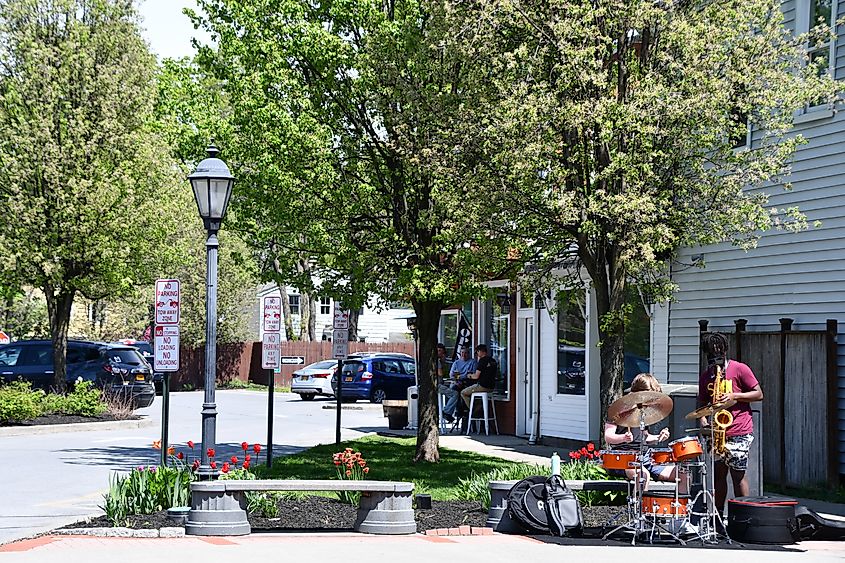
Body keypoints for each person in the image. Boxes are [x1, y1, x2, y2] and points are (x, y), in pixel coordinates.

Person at [698, 332, 763, 516]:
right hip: (717, 432)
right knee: (719, 476)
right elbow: (703, 404)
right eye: (711, 353)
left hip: (739, 429)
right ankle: (718, 517)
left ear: (725, 350)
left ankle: (743, 516)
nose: (715, 356)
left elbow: (758, 394)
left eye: (719, 351)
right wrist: (704, 422)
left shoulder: (740, 369)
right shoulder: (706, 376)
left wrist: (735, 396)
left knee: (738, 475)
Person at [603, 373, 677, 488]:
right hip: (623, 459)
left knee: (681, 473)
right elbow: (608, 436)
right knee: (643, 475)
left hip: (645, 458)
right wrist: (623, 438)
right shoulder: (619, 409)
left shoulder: (643, 410)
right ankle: (640, 505)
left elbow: (645, 437)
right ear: (639, 393)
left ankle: (681, 506)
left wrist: (658, 437)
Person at [440, 346, 476, 422]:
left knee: (458, 392)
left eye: (465, 353)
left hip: (468, 383)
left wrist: (462, 377)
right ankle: (454, 412)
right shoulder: (456, 363)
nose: (464, 354)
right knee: (453, 390)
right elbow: (452, 375)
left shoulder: (472, 362)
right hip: (457, 382)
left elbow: (472, 375)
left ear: (468, 354)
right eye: (462, 353)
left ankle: (458, 412)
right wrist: (457, 381)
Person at [460, 344, 497, 412]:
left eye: (477, 352)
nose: (477, 354)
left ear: (480, 351)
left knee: (463, 392)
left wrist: (469, 375)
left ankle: (474, 410)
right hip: (491, 387)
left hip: (483, 386)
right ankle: (479, 408)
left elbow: (476, 376)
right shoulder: (493, 360)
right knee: (476, 396)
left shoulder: (482, 360)